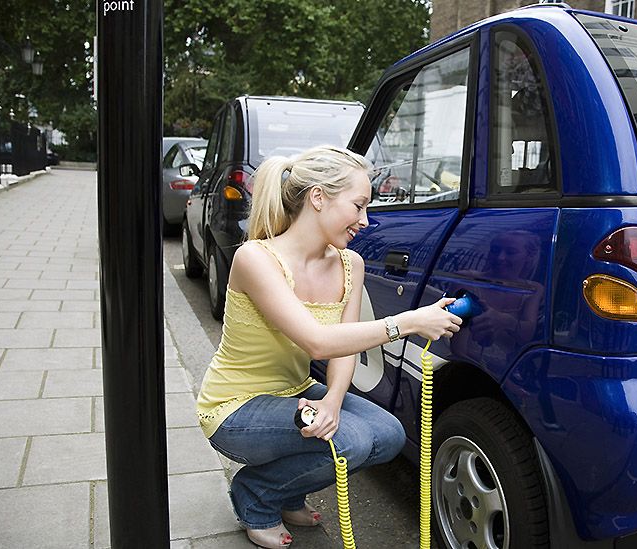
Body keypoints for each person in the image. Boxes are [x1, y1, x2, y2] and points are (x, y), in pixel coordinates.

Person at [196, 145, 461, 548]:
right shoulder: (256, 259)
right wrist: (407, 322)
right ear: (318, 197)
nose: (365, 221)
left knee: (388, 434)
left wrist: (333, 402)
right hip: (236, 407)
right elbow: (317, 342)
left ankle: (286, 491)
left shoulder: (349, 263)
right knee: (351, 440)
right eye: (357, 206)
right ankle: (257, 495)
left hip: (295, 392)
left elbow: (343, 349)